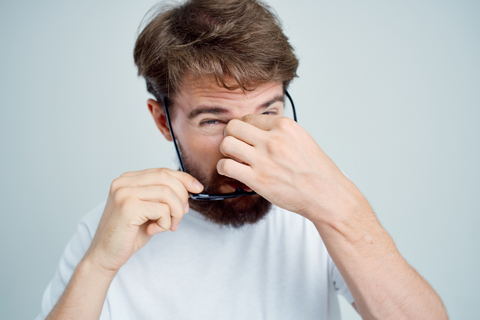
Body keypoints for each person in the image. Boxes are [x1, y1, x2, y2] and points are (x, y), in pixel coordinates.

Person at [36, 0, 448, 319]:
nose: (243, 145)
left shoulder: (317, 214)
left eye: (267, 112)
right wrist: (98, 267)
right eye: (214, 121)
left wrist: (339, 209)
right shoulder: (107, 231)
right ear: (164, 121)